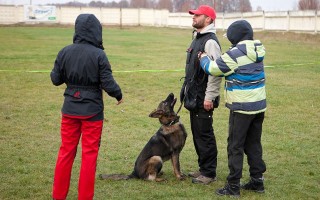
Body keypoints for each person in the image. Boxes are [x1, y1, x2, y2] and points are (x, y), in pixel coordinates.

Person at [50, 14, 123, 200]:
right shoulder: (99, 54)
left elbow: (55, 79)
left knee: (65, 153)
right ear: (96, 31)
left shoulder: (64, 51)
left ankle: (58, 196)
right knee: (89, 156)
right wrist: (118, 94)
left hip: (70, 110)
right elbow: (108, 82)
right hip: (92, 112)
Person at [198, 20, 267, 197]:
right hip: (258, 106)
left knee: (235, 146)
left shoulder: (235, 54)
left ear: (235, 36)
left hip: (241, 108)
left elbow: (214, 69)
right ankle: (257, 181)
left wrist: (203, 58)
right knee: (253, 144)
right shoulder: (257, 49)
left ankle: (233, 186)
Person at [180, 5, 222, 184]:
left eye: (198, 15)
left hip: (203, 98)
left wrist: (209, 97)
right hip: (193, 97)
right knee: (198, 134)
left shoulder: (210, 41)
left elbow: (216, 72)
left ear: (209, 19)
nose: (194, 17)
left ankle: (209, 173)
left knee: (205, 135)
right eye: (194, 15)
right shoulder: (197, 38)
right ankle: (203, 168)